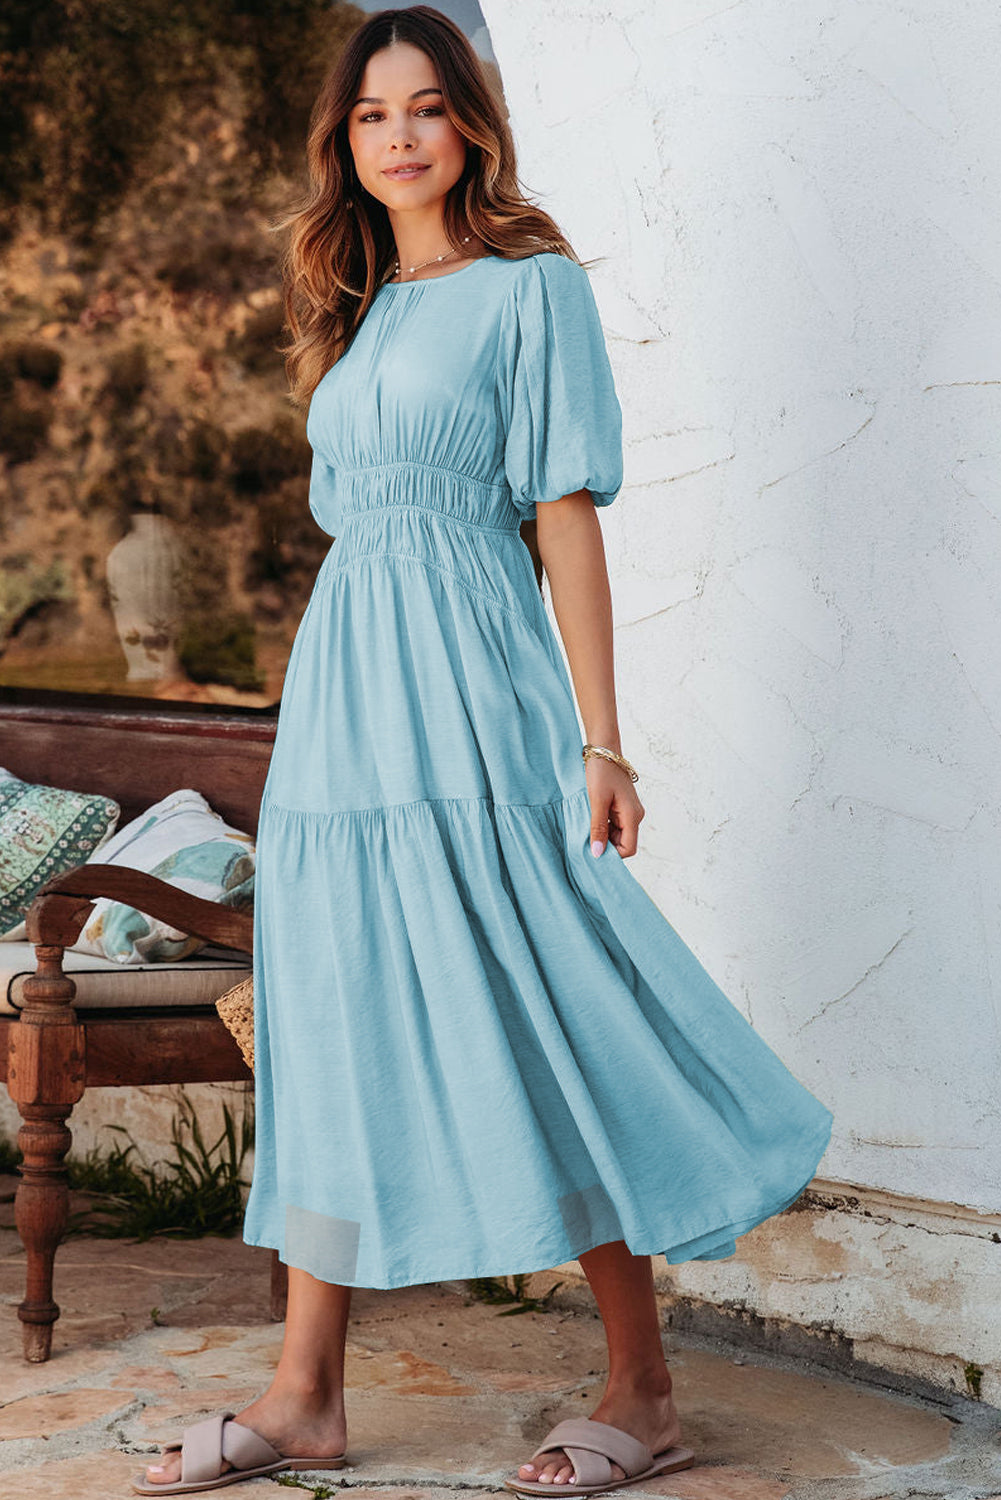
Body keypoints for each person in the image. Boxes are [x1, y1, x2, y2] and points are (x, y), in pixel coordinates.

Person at [133, 7, 834, 1496]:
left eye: (427, 108)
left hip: (468, 681)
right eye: (372, 114)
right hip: (340, 705)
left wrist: (602, 741)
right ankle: (304, 1394)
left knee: (529, 996)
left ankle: (642, 1389)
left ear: (470, 129)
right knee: (329, 1013)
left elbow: (560, 514)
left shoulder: (532, 289)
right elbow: (358, 528)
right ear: (347, 143)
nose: (398, 135)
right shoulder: (362, 306)